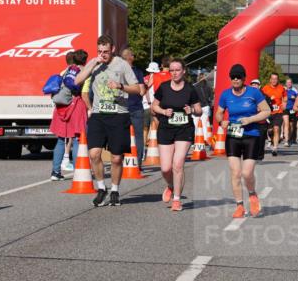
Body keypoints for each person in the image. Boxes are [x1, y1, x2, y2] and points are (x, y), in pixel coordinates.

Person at [74, 35, 142, 207]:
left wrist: (121, 86)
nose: (102, 54)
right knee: (94, 154)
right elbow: (77, 81)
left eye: (105, 51)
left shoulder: (122, 64)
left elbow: (137, 89)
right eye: (99, 51)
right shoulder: (94, 65)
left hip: (119, 115)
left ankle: (115, 190)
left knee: (117, 158)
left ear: (112, 49)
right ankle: (101, 188)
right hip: (98, 114)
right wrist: (92, 63)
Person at [215, 64, 270, 218]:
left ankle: (252, 194)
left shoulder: (254, 93)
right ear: (230, 78)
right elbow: (219, 113)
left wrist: (250, 119)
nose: (236, 79)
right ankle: (239, 205)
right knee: (235, 172)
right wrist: (221, 122)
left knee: (246, 173)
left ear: (244, 78)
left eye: (239, 76)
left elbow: (266, 111)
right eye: (233, 77)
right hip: (233, 135)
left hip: (251, 135)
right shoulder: (226, 95)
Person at [152, 58, 202, 211]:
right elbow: (154, 106)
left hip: (184, 129)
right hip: (166, 128)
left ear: (184, 71)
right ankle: (171, 186)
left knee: (178, 164)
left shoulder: (190, 89)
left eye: (177, 70)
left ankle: (177, 200)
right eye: (171, 70)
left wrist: (191, 111)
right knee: (166, 168)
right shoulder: (164, 87)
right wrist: (163, 111)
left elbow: (199, 110)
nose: (174, 73)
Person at [50, 51, 86, 180]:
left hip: (61, 108)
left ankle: (55, 172)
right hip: (75, 106)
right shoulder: (82, 72)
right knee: (77, 139)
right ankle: (78, 172)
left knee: (60, 140)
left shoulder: (63, 72)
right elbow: (84, 91)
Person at [120, 47, 148, 168]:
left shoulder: (118, 71)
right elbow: (141, 92)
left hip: (121, 108)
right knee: (138, 136)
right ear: (131, 58)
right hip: (136, 107)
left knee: (120, 135)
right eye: (134, 55)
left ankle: (122, 161)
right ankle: (138, 163)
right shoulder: (137, 72)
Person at [260, 73, 286, 156]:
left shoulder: (281, 88)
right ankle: (271, 139)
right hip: (267, 113)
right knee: (269, 131)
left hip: (278, 112)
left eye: (276, 79)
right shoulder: (265, 88)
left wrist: (284, 103)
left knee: (276, 128)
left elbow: (285, 97)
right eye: (273, 79)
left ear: (277, 80)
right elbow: (261, 98)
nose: (274, 80)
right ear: (270, 80)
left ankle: (275, 148)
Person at [282, 78, 298, 146]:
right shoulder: (283, 90)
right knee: (286, 124)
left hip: (292, 110)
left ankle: (290, 138)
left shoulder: (294, 91)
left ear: (291, 83)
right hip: (285, 109)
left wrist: (294, 98)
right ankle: (286, 140)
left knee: (291, 126)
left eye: (290, 82)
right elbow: (281, 98)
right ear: (286, 83)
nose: (288, 84)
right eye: (287, 82)